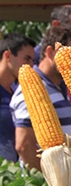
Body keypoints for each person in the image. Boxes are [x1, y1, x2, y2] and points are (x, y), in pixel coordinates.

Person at [11, 26, 71, 169]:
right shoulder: (32, 88)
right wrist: (51, 181)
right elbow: (24, 145)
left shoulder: (59, 87)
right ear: (50, 53)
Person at [0, 33, 35, 162]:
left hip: (11, 174)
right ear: (8, 56)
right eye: (27, 59)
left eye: (32, 60)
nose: (31, 65)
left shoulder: (18, 93)